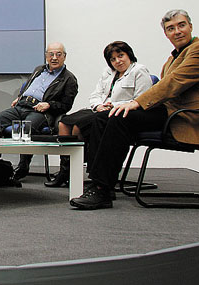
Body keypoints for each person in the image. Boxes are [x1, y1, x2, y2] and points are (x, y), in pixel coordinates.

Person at [70, 10, 199, 210]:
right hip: (167, 111)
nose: (177, 31)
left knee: (120, 117)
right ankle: (102, 183)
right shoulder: (175, 57)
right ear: (166, 34)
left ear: (190, 26)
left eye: (181, 25)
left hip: (183, 116)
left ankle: (101, 188)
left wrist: (137, 103)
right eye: (171, 28)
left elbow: (174, 83)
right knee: (103, 118)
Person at [46, 41, 153, 187]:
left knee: (78, 127)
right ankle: (65, 171)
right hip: (100, 109)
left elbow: (141, 99)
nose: (117, 61)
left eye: (121, 56)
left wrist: (114, 105)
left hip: (119, 112)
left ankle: (80, 169)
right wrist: (98, 105)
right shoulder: (109, 72)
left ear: (129, 55)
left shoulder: (139, 71)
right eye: (113, 59)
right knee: (64, 123)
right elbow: (96, 94)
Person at [0, 42, 78, 181]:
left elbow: (66, 105)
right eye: (51, 54)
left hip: (41, 112)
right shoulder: (39, 70)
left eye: (58, 54)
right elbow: (29, 87)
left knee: (24, 129)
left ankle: (23, 166)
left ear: (64, 56)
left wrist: (49, 105)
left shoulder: (69, 79)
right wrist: (20, 97)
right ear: (46, 56)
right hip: (21, 106)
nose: (54, 58)